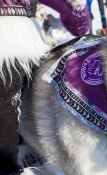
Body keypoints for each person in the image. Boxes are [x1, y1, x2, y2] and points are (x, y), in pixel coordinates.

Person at [0, 0, 90, 174]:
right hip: (17, 43)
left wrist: (76, 7)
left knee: (23, 115)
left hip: (22, 43)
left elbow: (79, 25)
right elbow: (79, 23)